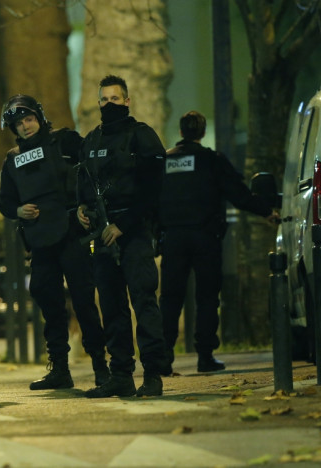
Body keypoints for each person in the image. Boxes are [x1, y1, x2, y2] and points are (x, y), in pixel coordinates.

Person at [0, 94, 109, 390]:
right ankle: (60, 368)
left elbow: (95, 172)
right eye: (19, 124)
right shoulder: (12, 159)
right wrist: (19, 211)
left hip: (72, 233)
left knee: (84, 302)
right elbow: (6, 202)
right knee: (48, 301)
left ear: (39, 117)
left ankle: (102, 368)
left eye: (29, 119)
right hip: (40, 240)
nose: (25, 126)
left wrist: (88, 207)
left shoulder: (66, 141)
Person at [159, 110, 279, 373]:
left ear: (181, 132)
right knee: (207, 298)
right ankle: (205, 357)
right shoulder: (211, 160)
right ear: (201, 133)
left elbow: (150, 199)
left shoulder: (164, 161)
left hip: (173, 238)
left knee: (170, 298)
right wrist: (267, 211)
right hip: (205, 238)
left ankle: (164, 357)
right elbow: (239, 194)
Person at [77, 75, 170, 398]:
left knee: (144, 302)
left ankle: (154, 375)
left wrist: (124, 225)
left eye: (114, 99)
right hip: (102, 235)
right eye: (103, 100)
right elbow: (83, 186)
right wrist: (82, 211)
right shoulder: (91, 140)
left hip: (134, 234)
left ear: (127, 101)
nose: (108, 105)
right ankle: (120, 374)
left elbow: (154, 189)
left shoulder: (142, 137)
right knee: (112, 307)